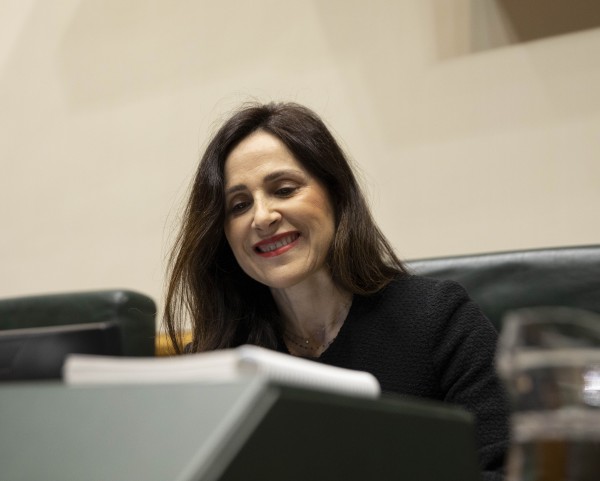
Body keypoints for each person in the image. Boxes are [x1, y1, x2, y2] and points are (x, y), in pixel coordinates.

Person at [164, 101, 509, 480]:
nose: (262, 217)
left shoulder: (438, 319)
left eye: (283, 189)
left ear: (336, 194)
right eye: (239, 205)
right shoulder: (220, 362)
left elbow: (509, 469)